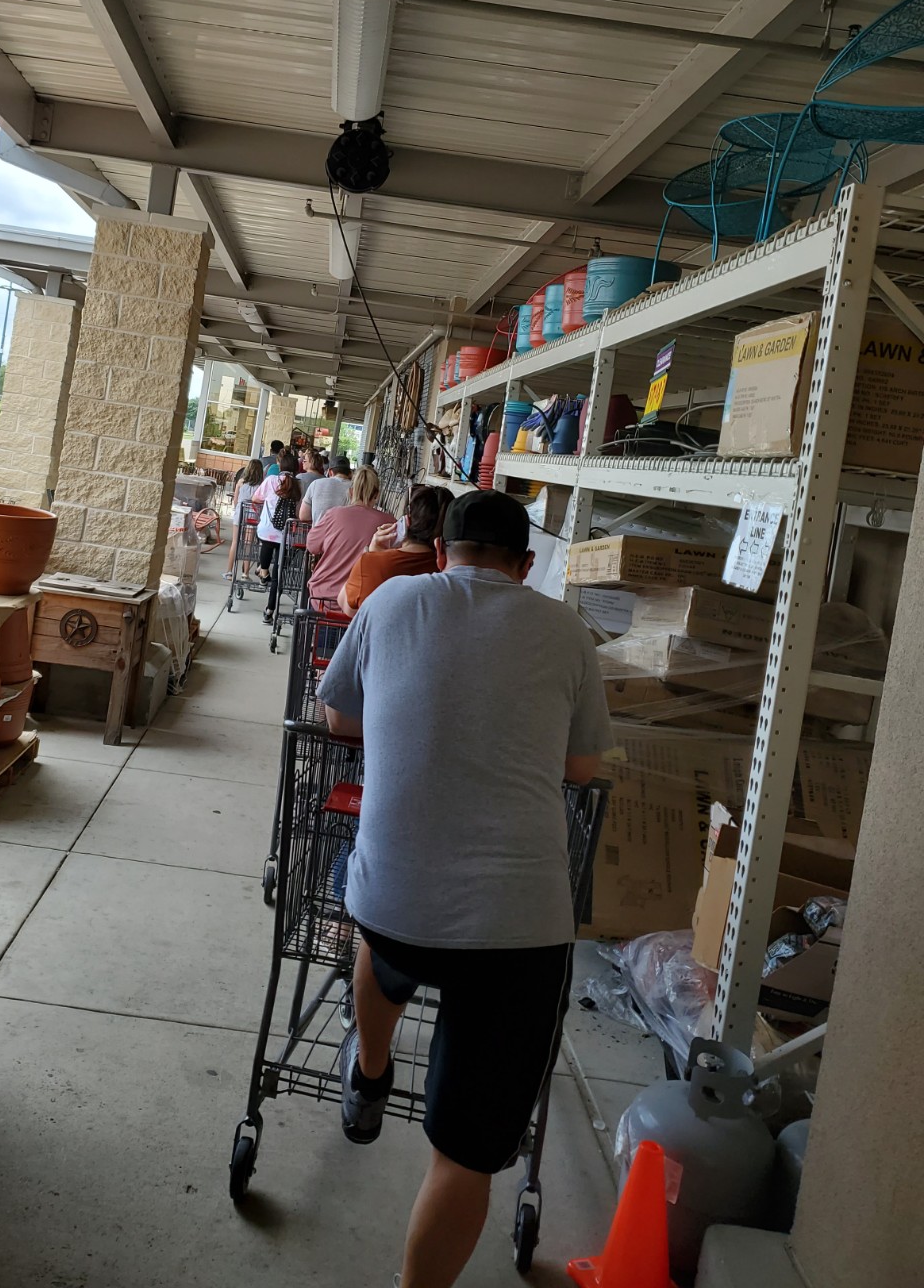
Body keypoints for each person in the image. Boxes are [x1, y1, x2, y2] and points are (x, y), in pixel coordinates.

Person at [316, 490, 613, 1288]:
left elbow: (338, 716)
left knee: (377, 938)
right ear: (526, 567)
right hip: (519, 930)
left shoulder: (388, 602)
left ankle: (371, 1067)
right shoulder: (567, 630)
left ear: (441, 553)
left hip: (394, 906)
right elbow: (581, 771)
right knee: (467, 1156)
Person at [337, 483, 453, 616]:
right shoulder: (451, 569)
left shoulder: (372, 564)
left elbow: (346, 606)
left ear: (406, 521)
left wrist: (372, 552)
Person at [304, 465, 394, 608]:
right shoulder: (389, 523)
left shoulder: (333, 514)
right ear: (376, 495)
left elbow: (312, 546)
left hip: (324, 597)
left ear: (351, 492)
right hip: (365, 603)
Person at [251, 447, 301, 622]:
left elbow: (255, 498)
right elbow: (301, 513)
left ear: (280, 466)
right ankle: (270, 610)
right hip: (287, 536)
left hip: (266, 530)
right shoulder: (299, 485)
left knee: (266, 542)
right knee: (278, 575)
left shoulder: (271, 480)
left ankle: (263, 570)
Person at [224, 458, 264, 580]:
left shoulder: (241, 482)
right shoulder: (261, 485)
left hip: (240, 514)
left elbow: (235, 502)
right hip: (253, 517)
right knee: (248, 544)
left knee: (235, 542)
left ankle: (229, 572)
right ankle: (245, 573)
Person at [298, 454, 352, 524]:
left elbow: (303, 516)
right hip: (344, 534)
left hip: (318, 533)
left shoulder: (316, 484)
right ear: (350, 473)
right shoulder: (356, 488)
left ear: (330, 472)